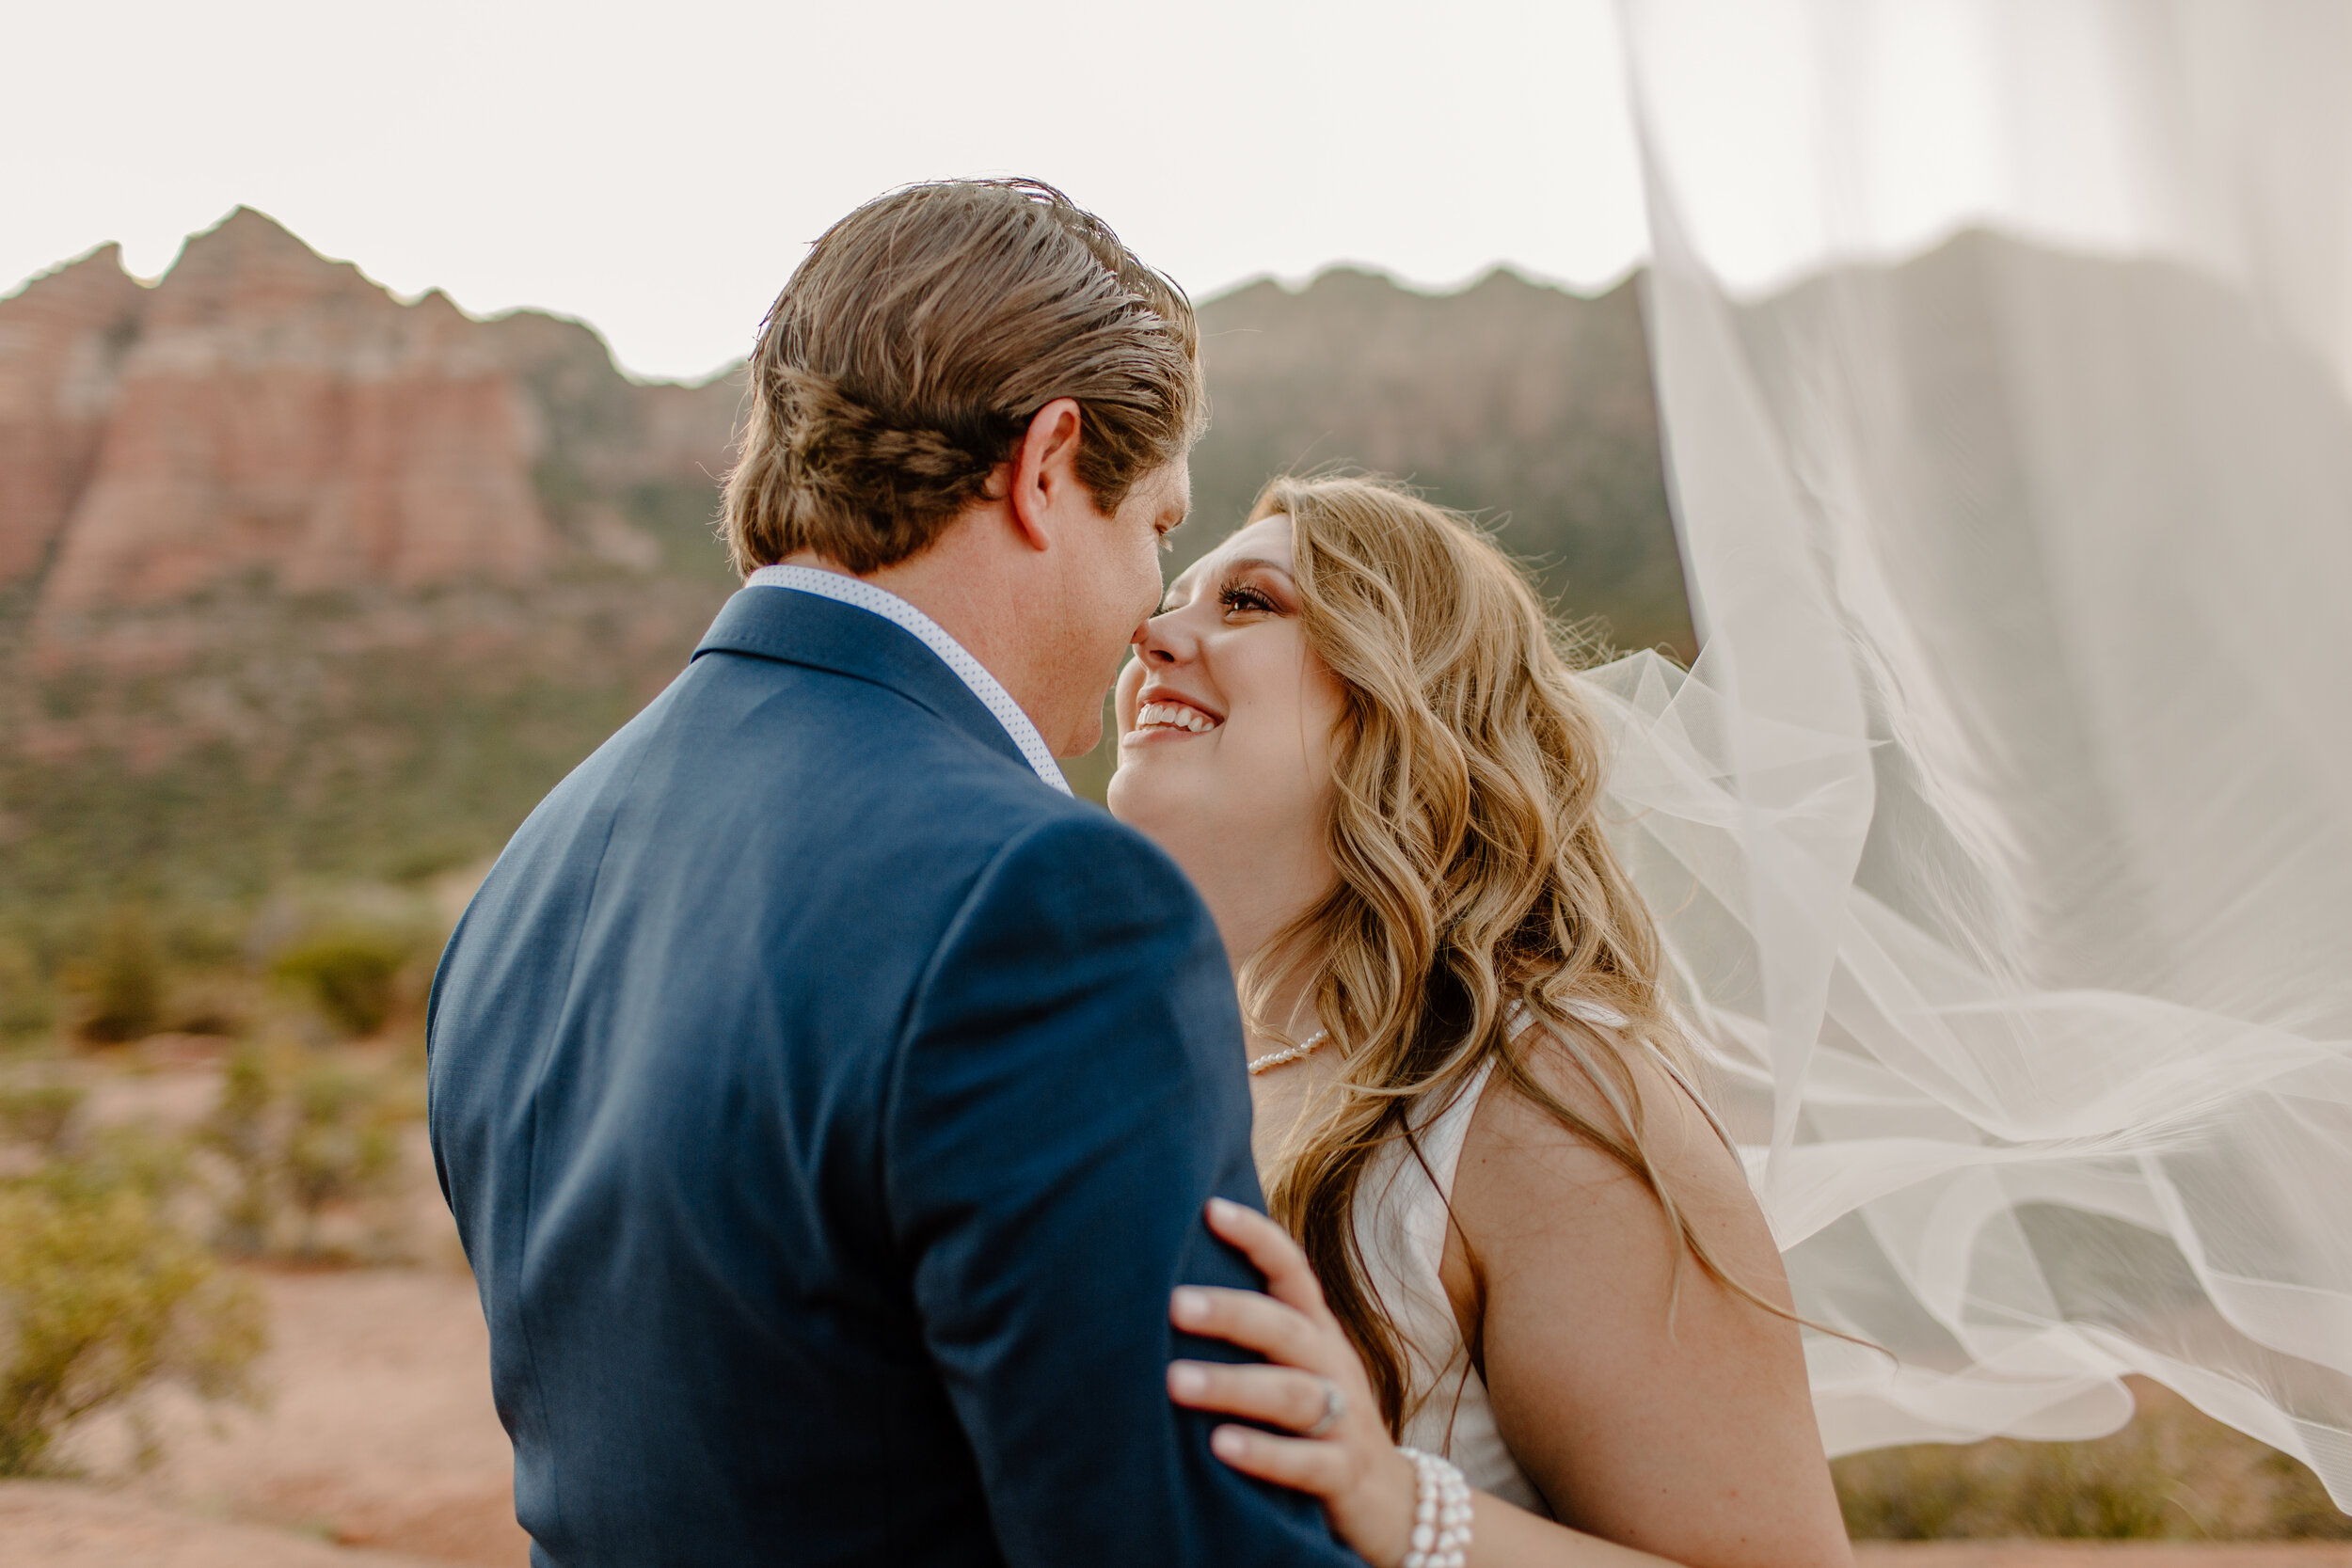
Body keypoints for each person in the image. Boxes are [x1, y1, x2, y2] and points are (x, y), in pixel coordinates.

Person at [425, 181, 1360, 1568]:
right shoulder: (1049, 900)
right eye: (1156, 529)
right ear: (1048, 465)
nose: (1146, 613)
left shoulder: (531, 874)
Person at [1109, 476, 1857, 1567]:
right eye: (1177, 597)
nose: (1152, 633)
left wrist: (1394, 1498)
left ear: (1399, 692)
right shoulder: (1156, 1055)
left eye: (1248, 602)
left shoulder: (1539, 1094)